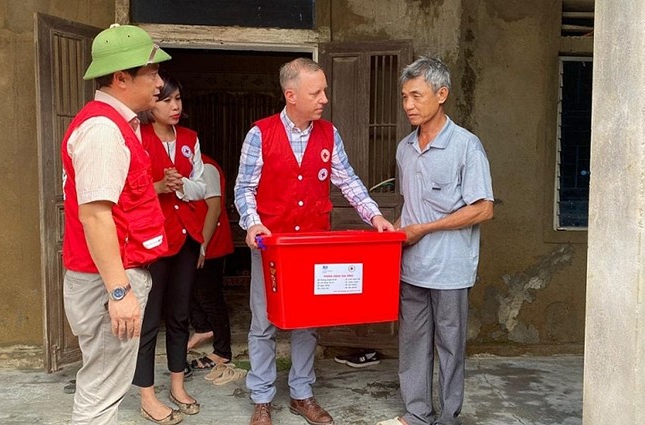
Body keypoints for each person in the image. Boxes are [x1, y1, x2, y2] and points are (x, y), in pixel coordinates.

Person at [234, 57, 395, 425]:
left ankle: (302, 394)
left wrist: (375, 216)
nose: (324, 98)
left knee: (307, 321)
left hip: (311, 246)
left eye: (324, 90)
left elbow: (348, 180)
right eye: (316, 92)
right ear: (291, 95)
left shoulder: (328, 133)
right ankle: (262, 398)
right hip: (271, 247)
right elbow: (244, 188)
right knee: (263, 323)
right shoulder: (260, 133)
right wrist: (254, 223)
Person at [61, 24, 171, 424]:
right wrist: (120, 291)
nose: (160, 83)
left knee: (104, 385)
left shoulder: (118, 125)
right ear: (121, 78)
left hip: (109, 276)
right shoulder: (104, 130)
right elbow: (95, 214)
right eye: (152, 73)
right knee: (102, 392)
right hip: (108, 280)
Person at [377, 57, 494, 425]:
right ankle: (417, 414)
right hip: (412, 267)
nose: (408, 104)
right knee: (412, 345)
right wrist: (391, 233)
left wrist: (422, 230)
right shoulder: (404, 148)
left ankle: (448, 418)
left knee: (449, 348)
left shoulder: (466, 146)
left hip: (450, 269)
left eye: (416, 95)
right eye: (404, 96)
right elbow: (412, 208)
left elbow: (483, 209)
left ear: (441, 95)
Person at [133, 72, 206, 424]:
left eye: (178, 100)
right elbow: (126, 189)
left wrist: (180, 187)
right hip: (152, 241)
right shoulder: (137, 137)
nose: (175, 106)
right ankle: (147, 394)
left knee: (179, 315)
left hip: (186, 238)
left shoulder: (190, 139)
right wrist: (157, 186)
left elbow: (203, 187)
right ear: (152, 105)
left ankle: (177, 385)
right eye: (166, 100)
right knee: (149, 320)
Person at [186, 153, 235, 370]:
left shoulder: (205, 167)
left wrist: (202, 246)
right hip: (192, 243)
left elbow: (214, 208)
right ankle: (203, 328)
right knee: (187, 291)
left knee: (210, 297)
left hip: (209, 245)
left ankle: (222, 352)